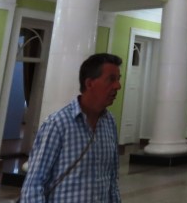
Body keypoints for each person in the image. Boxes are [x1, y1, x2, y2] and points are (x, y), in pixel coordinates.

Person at [20, 53, 123, 202]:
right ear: (90, 83)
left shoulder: (109, 122)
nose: (118, 86)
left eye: (118, 79)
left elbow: (112, 180)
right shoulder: (57, 124)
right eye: (111, 79)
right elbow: (34, 184)